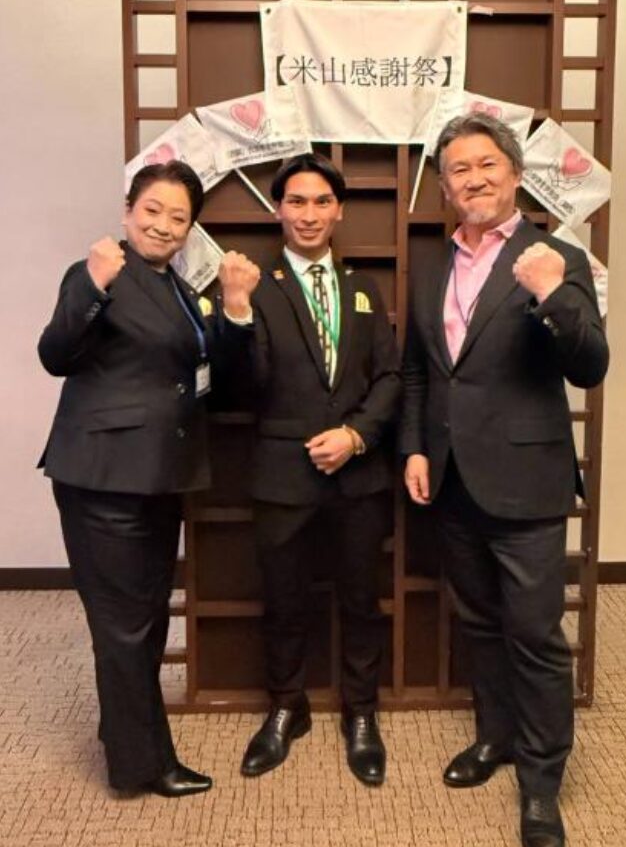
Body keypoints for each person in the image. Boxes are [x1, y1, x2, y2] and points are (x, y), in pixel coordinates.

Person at [400, 114, 609, 847]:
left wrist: (553, 294)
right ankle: (495, 735)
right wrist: (415, 446)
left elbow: (590, 364)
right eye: (459, 169)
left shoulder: (556, 256)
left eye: (487, 164)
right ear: (445, 186)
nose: (474, 178)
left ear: (516, 175)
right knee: (480, 622)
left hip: (527, 481)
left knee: (536, 635)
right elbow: (421, 369)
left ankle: (542, 782)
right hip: (452, 477)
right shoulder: (431, 264)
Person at [38, 160, 260, 797]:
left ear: (190, 230)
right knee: (125, 625)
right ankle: (141, 766)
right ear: (128, 210)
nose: (163, 225)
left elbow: (216, 383)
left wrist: (235, 311)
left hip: (159, 477)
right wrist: (93, 283)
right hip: (105, 478)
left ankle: (128, 735)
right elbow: (55, 354)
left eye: (178, 217)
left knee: (145, 619)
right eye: (152, 211)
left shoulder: (179, 289)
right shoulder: (97, 273)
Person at [239, 152, 400, 786]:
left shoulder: (364, 288)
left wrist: (356, 436)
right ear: (278, 210)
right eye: (297, 201)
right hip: (283, 476)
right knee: (283, 601)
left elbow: (389, 376)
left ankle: (362, 712)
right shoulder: (256, 285)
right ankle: (287, 707)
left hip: (358, 475)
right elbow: (242, 384)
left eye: (321, 202)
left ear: (339, 212)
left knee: (361, 600)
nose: (309, 214)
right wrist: (233, 310)